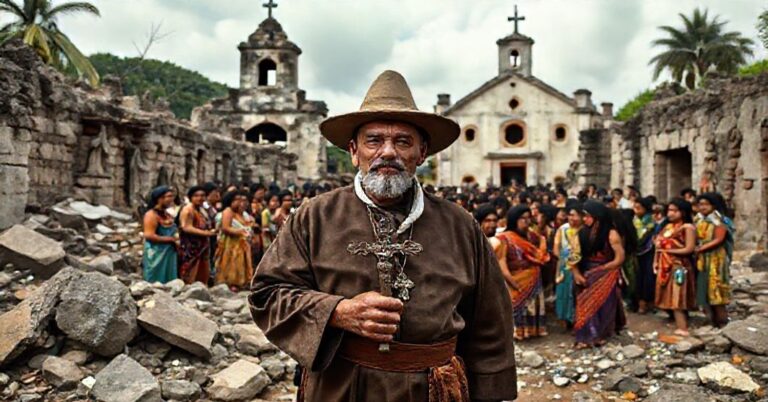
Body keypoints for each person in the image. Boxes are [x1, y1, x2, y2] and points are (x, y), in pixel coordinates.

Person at [249, 70, 517, 402]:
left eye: (403, 141)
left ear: (422, 153)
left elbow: (490, 323)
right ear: (353, 151)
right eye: (374, 140)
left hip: (436, 392)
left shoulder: (461, 226)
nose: (387, 152)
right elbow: (267, 294)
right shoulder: (314, 217)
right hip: (341, 388)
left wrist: (490, 392)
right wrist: (336, 312)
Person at [493, 205, 551, 340]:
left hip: (534, 277)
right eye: (522, 218)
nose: (526, 221)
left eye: (528, 218)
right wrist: (513, 283)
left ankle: (534, 330)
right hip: (515, 278)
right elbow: (502, 265)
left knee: (532, 305)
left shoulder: (532, 236)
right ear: (514, 220)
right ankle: (519, 332)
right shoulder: (504, 238)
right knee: (519, 306)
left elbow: (541, 253)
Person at [574, 200, 626, 348]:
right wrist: (576, 273)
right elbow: (573, 256)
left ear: (597, 216)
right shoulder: (582, 233)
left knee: (603, 305)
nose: (584, 219)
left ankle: (599, 335)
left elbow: (619, 258)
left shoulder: (611, 234)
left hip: (606, 273)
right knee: (585, 304)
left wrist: (603, 269)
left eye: (587, 216)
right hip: (586, 272)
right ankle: (585, 337)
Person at [654, 198, 697, 336]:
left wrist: (668, 251)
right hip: (664, 264)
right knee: (667, 295)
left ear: (683, 212)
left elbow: (689, 248)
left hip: (679, 265)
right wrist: (656, 260)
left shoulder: (688, 227)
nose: (670, 213)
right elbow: (658, 245)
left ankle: (682, 328)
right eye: (669, 210)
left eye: (674, 210)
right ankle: (676, 322)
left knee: (677, 297)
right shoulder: (667, 227)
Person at [695, 192, 734, 328]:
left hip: (715, 258)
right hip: (701, 259)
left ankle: (722, 321)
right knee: (703, 288)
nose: (702, 207)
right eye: (700, 204)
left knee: (716, 288)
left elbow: (719, 239)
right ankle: (710, 320)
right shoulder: (698, 219)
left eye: (706, 204)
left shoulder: (719, 220)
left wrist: (701, 248)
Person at [215, 191, 254, 292]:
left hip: (240, 243)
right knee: (231, 264)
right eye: (236, 200)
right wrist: (240, 232)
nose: (239, 202)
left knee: (240, 264)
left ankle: (241, 283)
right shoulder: (228, 211)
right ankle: (231, 284)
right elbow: (225, 228)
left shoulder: (239, 213)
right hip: (231, 244)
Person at [178, 186, 217, 285]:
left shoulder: (201, 209)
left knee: (203, 269)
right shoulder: (188, 210)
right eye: (196, 196)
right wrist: (206, 233)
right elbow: (186, 227)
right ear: (191, 197)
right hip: (191, 246)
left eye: (202, 196)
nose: (200, 198)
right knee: (190, 270)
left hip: (202, 246)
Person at [553, 202, 582, 327]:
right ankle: (564, 318)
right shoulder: (563, 229)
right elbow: (556, 247)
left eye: (575, 216)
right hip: (564, 264)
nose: (572, 218)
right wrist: (562, 259)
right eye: (570, 215)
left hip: (580, 263)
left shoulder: (584, 230)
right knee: (563, 292)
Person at [142, 186, 179, 284]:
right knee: (155, 280)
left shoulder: (167, 214)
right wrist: (171, 239)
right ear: (160, 198)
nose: (172, 199)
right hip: (156, 253)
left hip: (168, 253)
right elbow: (149, 235)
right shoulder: (151, 215)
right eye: (169, 196)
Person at [632, 196, 657, 314]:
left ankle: (649, 303)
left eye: (639, 208)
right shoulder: (633, 220)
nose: (636, 210)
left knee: (649, 278)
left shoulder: (652, 222)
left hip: (650, 252)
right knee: (638, 277)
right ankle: (640, 303)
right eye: (635, 207)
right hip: (635, 252)